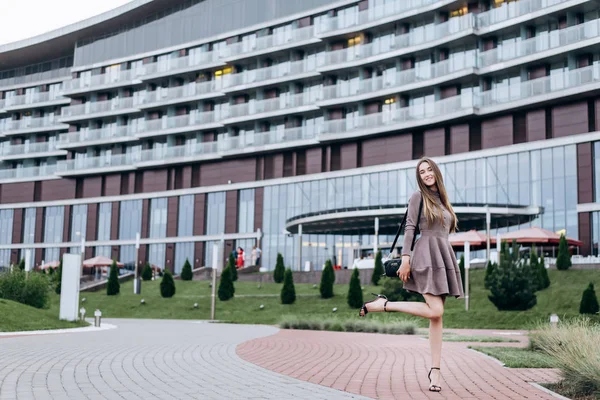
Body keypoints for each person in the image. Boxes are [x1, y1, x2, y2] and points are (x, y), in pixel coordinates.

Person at [359, 157, 464, 393]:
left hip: (443, 255)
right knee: (436, 310)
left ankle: (435, 372)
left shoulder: (444, 200)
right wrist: (405, 258)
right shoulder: (418, 196)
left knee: (436, 317)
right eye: (422, 171)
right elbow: (409, 228)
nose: (427, 174)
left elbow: (445, 231)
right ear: (419, 177)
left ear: (436, 171)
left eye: (429, 169)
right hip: (425, 254)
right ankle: (384, 304)